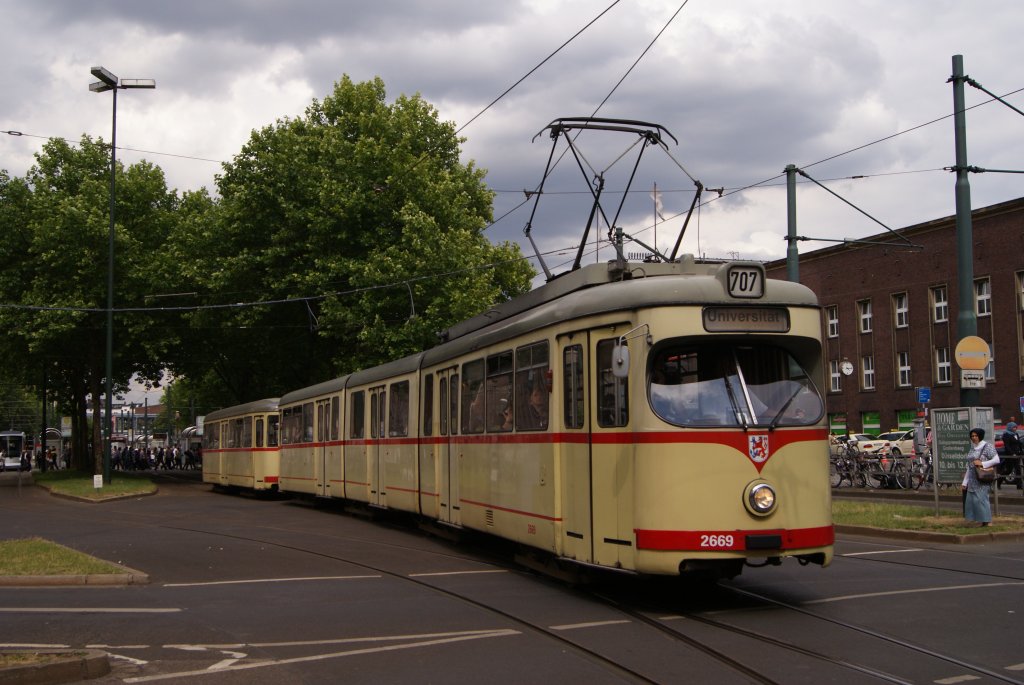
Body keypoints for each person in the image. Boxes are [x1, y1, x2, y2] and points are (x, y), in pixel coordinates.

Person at [962, 427, 1000, 526]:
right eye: (972, 436)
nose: (974, 438)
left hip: (982, 477)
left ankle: (987, 520)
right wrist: (965, 481)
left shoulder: (987, 446)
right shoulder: (972, 448)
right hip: (972, 478)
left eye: (976, 435)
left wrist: (983, 463)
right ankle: (979, 520)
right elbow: (969, 466)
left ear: (980, 436)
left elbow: (996, 460)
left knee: (982, 499)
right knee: (973, 501)